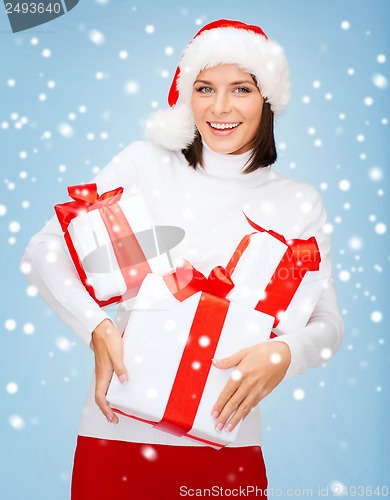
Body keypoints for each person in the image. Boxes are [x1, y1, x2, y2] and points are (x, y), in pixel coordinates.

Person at [22, 19, 344, 499]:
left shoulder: (298, 202)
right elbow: (44, 250)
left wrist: (285, 353)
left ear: (268, 99)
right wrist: (97, 327)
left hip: (226, 450)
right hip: (115, 438)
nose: (220, 107)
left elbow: (327, 324)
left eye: (241, 89)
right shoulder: (143, 163)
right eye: (204, 88)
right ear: (185, 94)